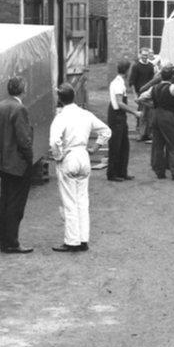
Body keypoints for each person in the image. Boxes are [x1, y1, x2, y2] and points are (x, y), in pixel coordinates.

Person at [49, 83, 111, 252]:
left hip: (69, 157)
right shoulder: (86, 114)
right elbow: (106, 131)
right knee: (82, 200)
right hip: (83, 156)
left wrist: (58, 156)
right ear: (73, 96)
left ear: (59, 99)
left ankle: (72, 240)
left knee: (70, 201)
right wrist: (96, 147)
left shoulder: (60, 117)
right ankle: (83, 238)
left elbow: (54, 141)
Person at [0, 77, 35, 254]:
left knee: (5, 202)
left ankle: (4, 240)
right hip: (17, 164)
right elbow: (24, 139)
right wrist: (29, 159)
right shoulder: (19, 109)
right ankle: (13, 242)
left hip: (2, 162)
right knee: (16, 205)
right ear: (23, 89)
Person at [138, 63, 174, 180]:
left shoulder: (153, 88)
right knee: (173, 144)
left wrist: (152, 105)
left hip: (156, 115)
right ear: (171, 76)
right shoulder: (172, 87)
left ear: (161, 76)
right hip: (168, 116)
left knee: (157, 144)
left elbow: (140, 99)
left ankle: (159, 171)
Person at [107, 60, 140, 181]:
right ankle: (112, 174)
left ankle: (122, 172)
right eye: (130, 70)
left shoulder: (120, 82)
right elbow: (120, 103)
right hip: (116, 116)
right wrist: (134, 112)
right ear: (126, 71)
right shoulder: (118, 84)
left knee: (124, 145)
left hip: (120, 116)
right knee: (115, 145)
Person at [128, 47, 156, 142]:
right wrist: (135, 96)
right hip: (140, 94)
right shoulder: (136, 66)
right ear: (140, 55)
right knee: (141, 114)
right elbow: (131, 82)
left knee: (151, 114)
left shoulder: (151, 66)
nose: (145, 57)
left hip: (149, 94)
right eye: (143, 55)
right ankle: (141, 134)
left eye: (146, 55)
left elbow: (152, 81)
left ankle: (149, 134)